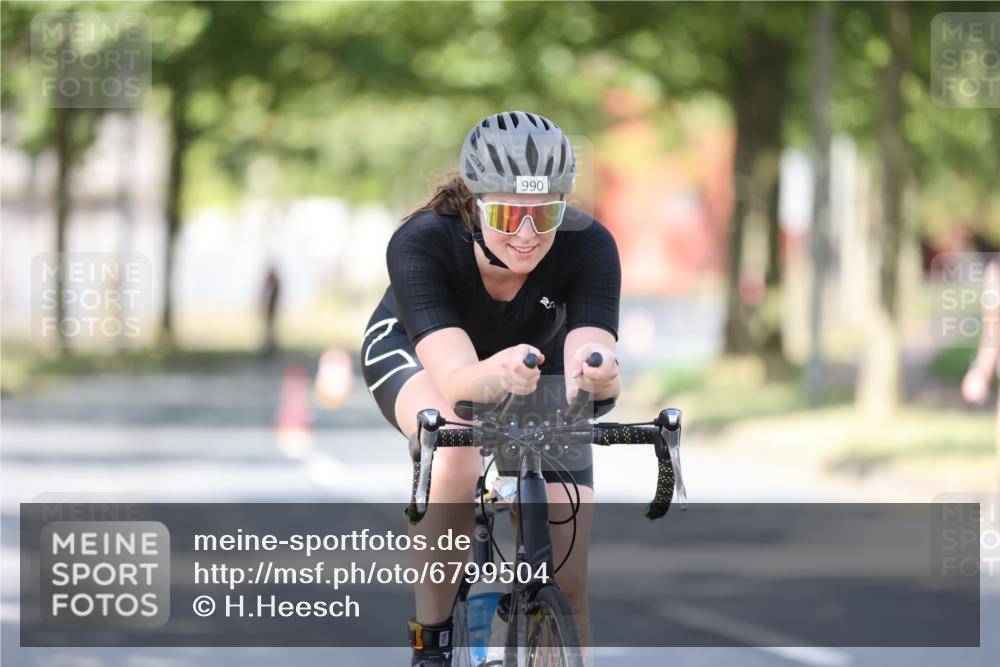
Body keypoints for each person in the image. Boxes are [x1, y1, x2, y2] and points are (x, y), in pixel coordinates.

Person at [361, 111, 622, 666]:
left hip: (529, 363)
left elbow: (592, 346)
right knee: (457, 443)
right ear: (474, 204)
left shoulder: (590, 244)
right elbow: (457, 382)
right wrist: (497, 376)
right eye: (506, 213)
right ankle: (430, 642)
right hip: (424, 355)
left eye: (545, 214)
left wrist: (598, 372)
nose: (527, 235)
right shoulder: (422, 240)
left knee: (568, 580)